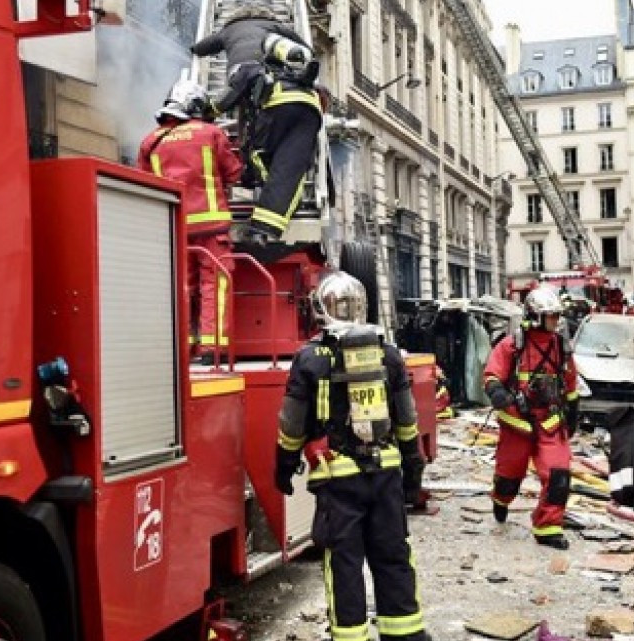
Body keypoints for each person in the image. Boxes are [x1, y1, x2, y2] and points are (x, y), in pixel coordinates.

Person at [274, 272, 429, 641]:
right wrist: (413, 472)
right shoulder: (388, 354)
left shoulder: (309, 358)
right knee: (393, 555)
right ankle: (406, 634)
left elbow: (292, 423)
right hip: (386, 472)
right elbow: (407, 420)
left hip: (338, 479)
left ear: (321, 310)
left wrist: (283, 466)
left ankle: (351, 636)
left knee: (344, 564)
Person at [193, 6, 323, 243]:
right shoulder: (277, 33)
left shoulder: (240, 47)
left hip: (270, 103)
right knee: (290, 170)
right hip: (309, 107)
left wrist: (206, 112)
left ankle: (256, 179)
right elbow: (305, 47)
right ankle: (266, 229)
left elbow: (226, 92)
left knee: (258, 154)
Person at [137, 81, 243, 358]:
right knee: (215, 283)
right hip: (211, 226)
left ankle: (184, 345)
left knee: (182, 286)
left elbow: (143, 181)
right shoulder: (211, 133)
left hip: (174, 226)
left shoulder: (151, 142)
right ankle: (211, 345)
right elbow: (233, 172)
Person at [483, 285, 580, 548]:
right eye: (551, 316)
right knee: (509, 475)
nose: (556, 321)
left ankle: (547, 527)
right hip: (518, 422)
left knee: (559, 475)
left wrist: (573, 410)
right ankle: (500, 500)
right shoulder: (513, 344)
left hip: (550, 421)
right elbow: (492, 373)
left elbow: (570, 380)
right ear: (536, 315)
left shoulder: (561, 346)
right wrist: (497, 392)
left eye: (557, 316)